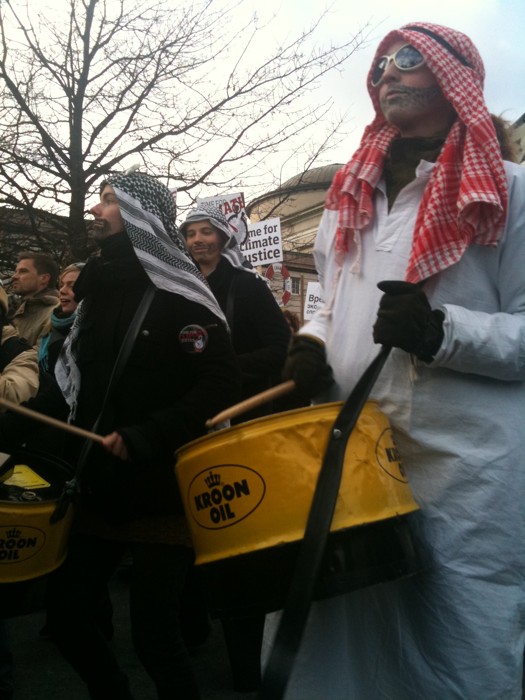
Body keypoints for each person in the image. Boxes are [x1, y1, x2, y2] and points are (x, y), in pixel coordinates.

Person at [270, 22, 525, 700]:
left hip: (464, 467)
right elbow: (326, 292)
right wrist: (312, 343)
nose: (387, 72)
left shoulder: (512, 191)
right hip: (350, 449)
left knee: (454, 633)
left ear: (454, 79)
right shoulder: (347, 195)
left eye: (407, 59)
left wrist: (443, 331)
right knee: (338, 632)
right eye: (380, 62)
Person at [0, 171, 241, 700]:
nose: (95, 209)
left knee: (156, 639)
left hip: (160, 489)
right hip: (99, 487)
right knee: (65, 618)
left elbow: (220, 383)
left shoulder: (184, 295)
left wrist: (146, 434)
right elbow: (70, 388)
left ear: (140, 214)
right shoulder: (96, 294)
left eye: (109, 200)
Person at [180, 202, 291, 692]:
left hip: (241, 423)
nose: (199, 240)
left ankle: (250, 660)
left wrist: (226, 372)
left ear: (224, 239)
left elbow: (280, 347)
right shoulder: (176, 285)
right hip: (188, 422)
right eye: (191, 233)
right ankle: (192, 628)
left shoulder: (246, 286)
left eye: (207, 232)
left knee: (238, 540)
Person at [38, 263, 84, 375]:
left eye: (72, 286)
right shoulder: (47, 326)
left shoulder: (94, 330)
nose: (62, 291)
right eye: (61, 285)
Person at [8, 253, 59, 347]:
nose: (14, 276)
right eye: (16, 271)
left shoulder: (56, 314)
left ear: (44, 278)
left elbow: (38, 356)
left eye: (23, 271)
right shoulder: (16, 310)